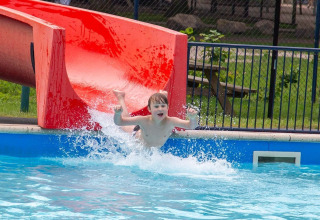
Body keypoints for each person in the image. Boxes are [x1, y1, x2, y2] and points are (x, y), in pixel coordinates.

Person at [113, 90, 199, 148]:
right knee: (125, 127)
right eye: (156, 106)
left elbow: (191, 126)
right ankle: (120, 97)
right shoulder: (143, 120)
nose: (160, 108)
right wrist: (117, 114)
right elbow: (120, 122)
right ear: (149, 109)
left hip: (159, 128)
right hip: (138, 135)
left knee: (163, 116)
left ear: (168, 107)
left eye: (163, 106)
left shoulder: (171, 121)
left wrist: (192, 118)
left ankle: (162, 96)